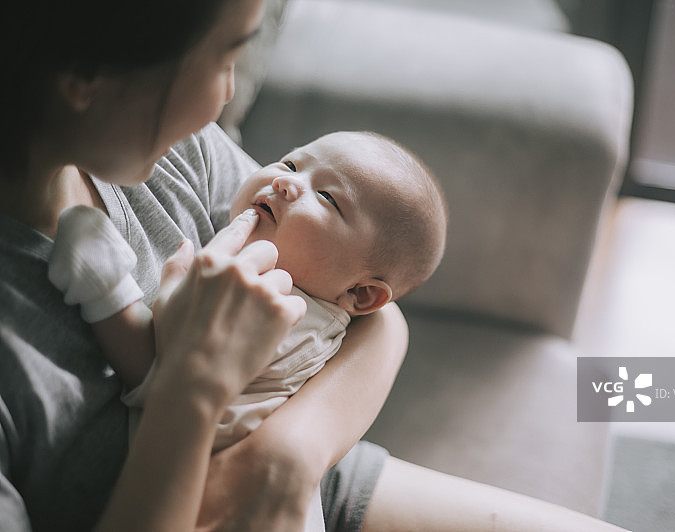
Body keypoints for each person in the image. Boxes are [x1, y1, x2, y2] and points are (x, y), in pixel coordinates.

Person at [0, 0, 628, 530]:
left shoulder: (165, 151)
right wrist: (193, 386)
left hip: (307, 483)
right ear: (87, 77)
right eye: (226, 59)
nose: (226, 98)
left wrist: (287, 455)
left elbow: (378, 319)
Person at [46, 130, 448, 531]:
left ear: (360, 294)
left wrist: (104, 288)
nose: (285, 181)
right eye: (291, 163)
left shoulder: (292, 318)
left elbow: (156, 370)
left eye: (327, 197)